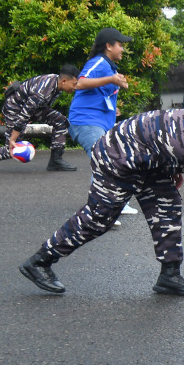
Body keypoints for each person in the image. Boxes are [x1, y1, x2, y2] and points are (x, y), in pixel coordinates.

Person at [19, 109, 184, 296]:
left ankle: (169, 276)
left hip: (145, 161)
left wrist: (172, 167)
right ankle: (40, 261)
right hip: (116, 156)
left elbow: (163, 137)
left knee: (167, 203)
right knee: (99, 218)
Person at [69, 27, 139, 224]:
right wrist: (111, 79)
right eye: (120, 45)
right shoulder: (99, 63)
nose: (122, 49)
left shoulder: (110, 67)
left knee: (118, 159)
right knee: (104, 162)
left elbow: (100, 94)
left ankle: (117, 203)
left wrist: (113, 108)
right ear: (109, 46)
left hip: (99, 121)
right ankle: (99, 210)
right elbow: (80, 83)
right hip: (86, 121)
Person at [0, 65, 80, 171]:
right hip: (15, 109)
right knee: (13, 148)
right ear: (64, 81)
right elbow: (25, 114)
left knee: (60, 121)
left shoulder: (57, 83)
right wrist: (13, 138)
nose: (75, 87)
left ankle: (56, 161)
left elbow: (39, 108)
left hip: (33, 108)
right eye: (74, 84)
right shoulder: (42, 91)